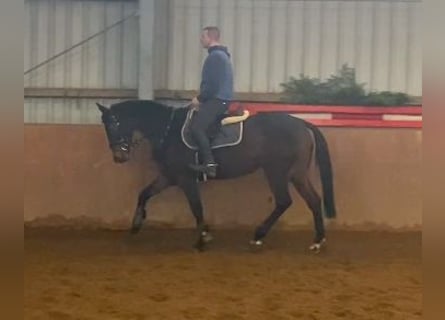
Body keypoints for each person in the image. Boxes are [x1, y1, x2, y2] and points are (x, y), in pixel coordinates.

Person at [188, 26, 234, 178]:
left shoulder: (214, 57)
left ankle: (209, 164)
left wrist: (199, 99)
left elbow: (212, 84)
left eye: (203, 37)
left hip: (217, 99)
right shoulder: (223, 55)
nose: (201, 40)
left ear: (210, 38)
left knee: (196, 128)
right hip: (221, 99)